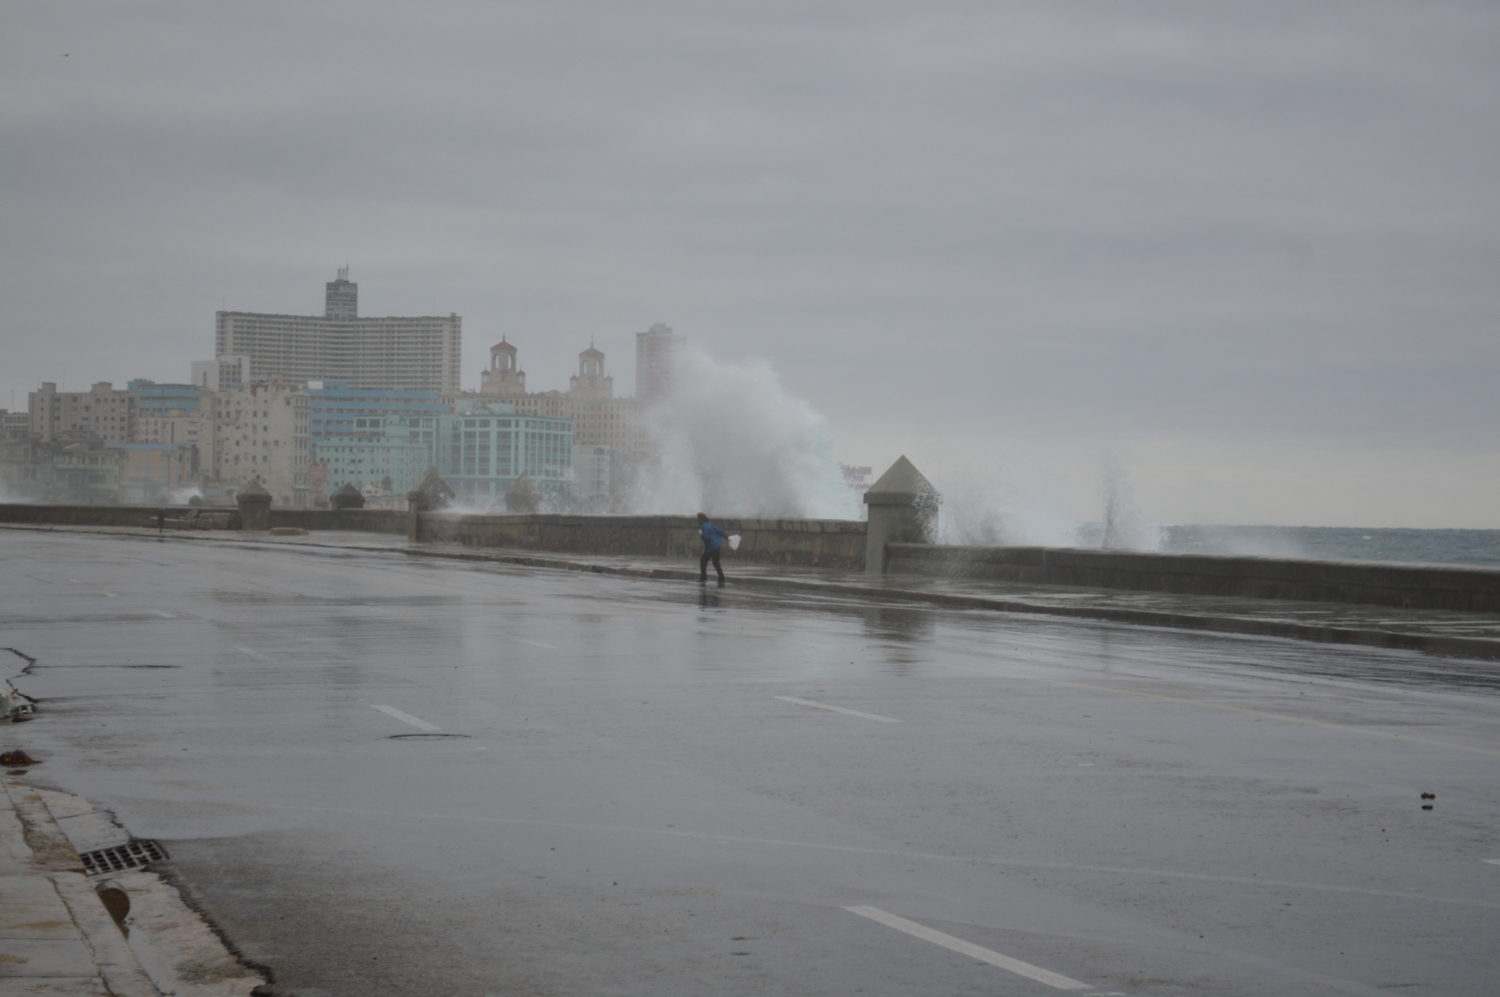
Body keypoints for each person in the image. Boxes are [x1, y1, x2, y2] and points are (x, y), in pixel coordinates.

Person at [696, 512, 728, 586]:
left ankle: (703, 578)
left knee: (703, 561)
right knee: (716, 563)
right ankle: (721, 579)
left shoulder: (703, 527)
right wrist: (727, 537)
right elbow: (720, 531)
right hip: (717, 546)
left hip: (711, 547)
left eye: (698, 519)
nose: (698, 521)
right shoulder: (711, 525)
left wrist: (701, 535)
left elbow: (706, 538)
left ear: (701, 520)